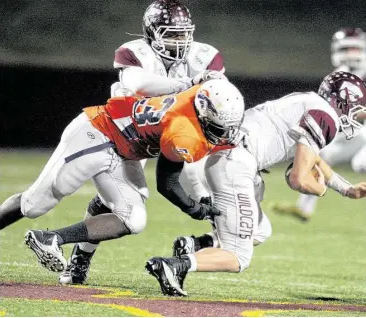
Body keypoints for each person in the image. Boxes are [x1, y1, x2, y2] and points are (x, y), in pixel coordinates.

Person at [145, 71, 366, 297]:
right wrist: (318, 190)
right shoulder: (325, 115)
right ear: (344, 100)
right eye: (356, 108)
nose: (357, 116)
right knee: (238, 257)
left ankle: (194, 246)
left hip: (229, 159)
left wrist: (346, 189)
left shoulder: (308, 101)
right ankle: (172, 265)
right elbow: (297, 178)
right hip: (235, 165)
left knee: (260, 231)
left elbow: (315, 159)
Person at [0, 78, 245, 274]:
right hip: (98, 132)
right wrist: (194, 209)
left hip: (125, 150)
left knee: (133, 219)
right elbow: (167, 184)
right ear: (203, 114)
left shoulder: (204, 96)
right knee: (35, 205)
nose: (225, 135)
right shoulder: (184, 133)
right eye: (220, 129)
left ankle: (50, 238)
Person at [61, 0, 227, 284]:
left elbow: (213, 101)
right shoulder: (134, 52)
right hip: (133, 132)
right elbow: (140, 85)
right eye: (171, 34)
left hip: (175, 128)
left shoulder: (205, 55)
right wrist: (188, 84)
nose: (179, 41)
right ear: (151, 33)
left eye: (183, 33)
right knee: (120, 201)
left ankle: (209, 234)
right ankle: (80, 255)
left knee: (196, 176)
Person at [271, 27, 366, 221]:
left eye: (354, 49)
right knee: (319, 157)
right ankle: (304, 209)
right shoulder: (339, 74)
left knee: (360, 164)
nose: (350, 54)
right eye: (346, 49)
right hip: (355, 131)